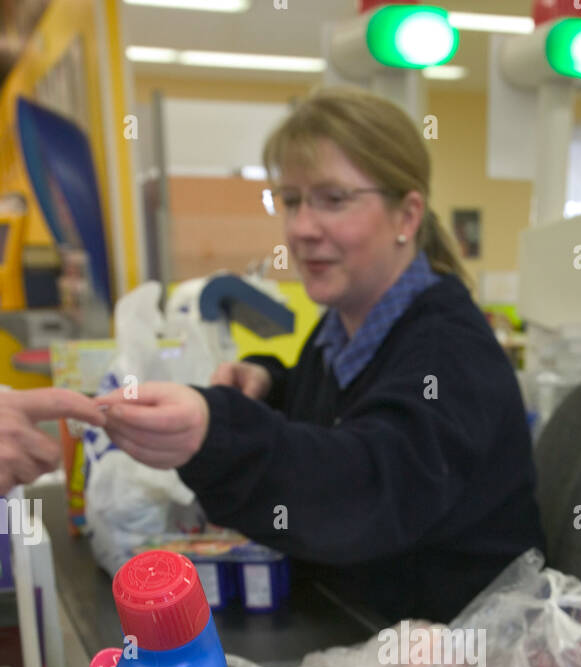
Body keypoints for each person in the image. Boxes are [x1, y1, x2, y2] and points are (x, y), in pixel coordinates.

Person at [79, 88, 544, 622]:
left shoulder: (450, 352)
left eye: (333, 199)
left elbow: (361, 488)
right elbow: (339, 416)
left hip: (457, 662)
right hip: (355, 623)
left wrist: (216, 432)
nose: (301, 228)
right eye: (292, 200)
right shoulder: (344, 325)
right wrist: (269, 383)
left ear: (407, 215)